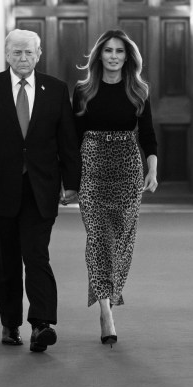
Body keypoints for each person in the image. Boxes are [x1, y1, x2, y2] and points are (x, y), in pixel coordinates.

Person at [0, 29, 81, 352]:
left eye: (29, 53)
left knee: (36, 255)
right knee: (7, 261)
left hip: (40, 189)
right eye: (17, 53)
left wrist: (72, 183)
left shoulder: (56, 90)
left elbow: (68, 141)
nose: (23, 58)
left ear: (39, 54)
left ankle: (41, 324)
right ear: (7, 54)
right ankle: (10, 322)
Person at [72, 30, 158, 346]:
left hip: (127, 169)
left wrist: (152, 169)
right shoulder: (83, 91)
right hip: (92, 169)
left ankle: (109, 292)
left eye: (119, 51)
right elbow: (73, 137)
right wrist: (70, 181)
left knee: (121, 241)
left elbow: (148, 134)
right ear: (99, 56)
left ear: (127, 57)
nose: (113, 56)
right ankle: (106, 311)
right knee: (98, 238)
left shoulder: (138, 90)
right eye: (107, 51)